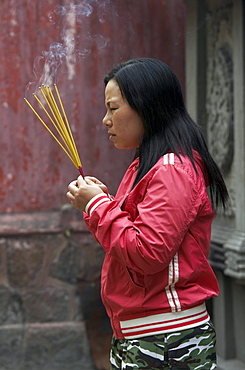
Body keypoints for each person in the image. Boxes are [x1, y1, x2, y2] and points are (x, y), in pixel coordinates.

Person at [66, 58, 229, 370]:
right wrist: (102, 202)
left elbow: (147, 253)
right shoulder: (148, 166)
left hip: (166, 337)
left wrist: (98, 206)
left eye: (113, 108)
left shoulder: (173, 169)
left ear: (147, 106)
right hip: (143, 331)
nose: (105, 120)